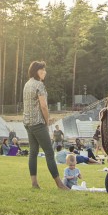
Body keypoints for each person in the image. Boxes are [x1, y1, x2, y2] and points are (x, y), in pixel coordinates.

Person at [22, 61, 65, 190]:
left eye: (45, 70)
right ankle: (60, 184)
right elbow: (44, 106)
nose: (44, 72)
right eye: (42, 70)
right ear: (36, 71)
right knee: (49, 153)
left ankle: (34, 183)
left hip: (28, 123)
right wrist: (47, 122)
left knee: (33, 153)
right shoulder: (39, 85)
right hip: (38, 123)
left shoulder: (27, 84)